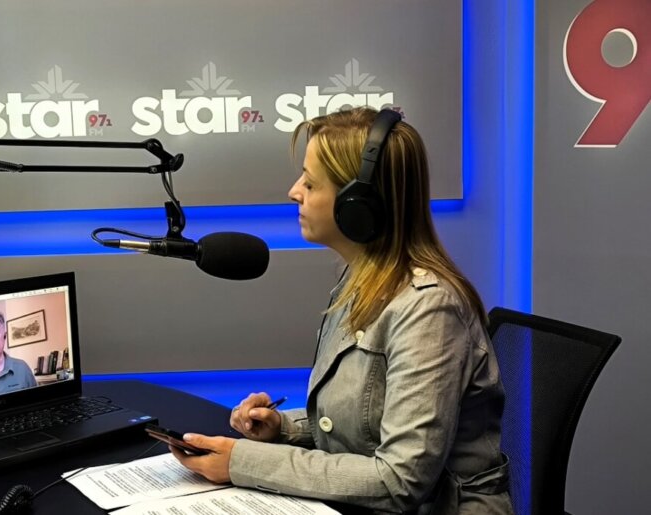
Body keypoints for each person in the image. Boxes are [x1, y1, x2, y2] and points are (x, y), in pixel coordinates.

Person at [170, 107, 514, 514]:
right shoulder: (360, 281)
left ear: (357, 206)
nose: (294, 192)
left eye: (310, 182)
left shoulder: (429, 309)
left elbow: (399, 481)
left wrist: (242, 462)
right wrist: (283, 428)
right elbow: (364, 425)